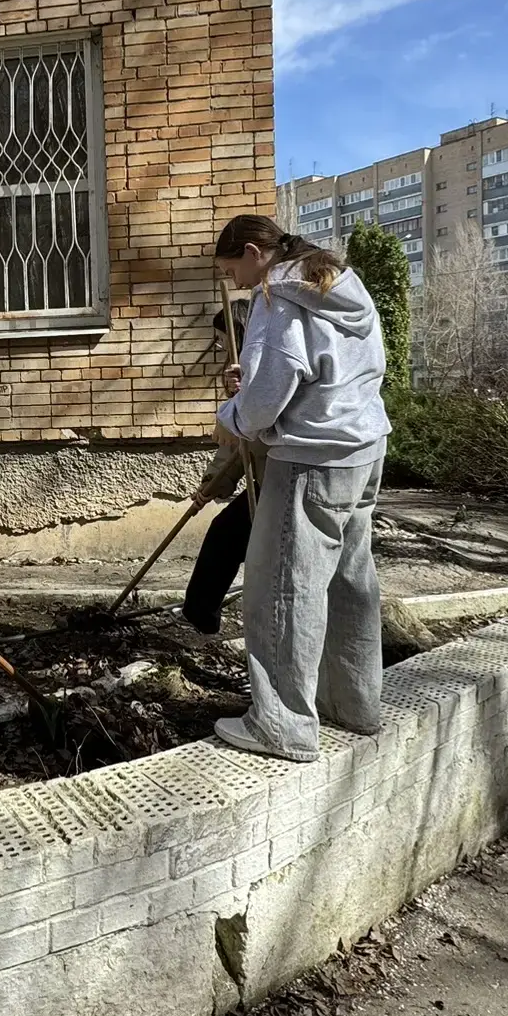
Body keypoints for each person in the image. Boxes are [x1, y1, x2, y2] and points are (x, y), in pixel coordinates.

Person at [210, 216, 389, 762]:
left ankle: (282, 725)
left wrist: (233, 414)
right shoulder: (339, 286)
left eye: (232, 269)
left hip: (310, 460)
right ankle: (353, 704)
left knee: (284, 589)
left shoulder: (277, 299)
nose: (236, 282)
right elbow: (326, 369)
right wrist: (255, 384)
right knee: (348, 582)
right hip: (363, 449)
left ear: (253, 252)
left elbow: (266, 401)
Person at [181, 303, 265, 635]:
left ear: (239, 334)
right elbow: (234, 447)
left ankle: (202, 614)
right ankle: (200, 614)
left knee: (229, 537)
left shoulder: (265, 369)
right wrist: (212, 485)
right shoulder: (240, 377)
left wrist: (244, 397)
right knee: (225, 534)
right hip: (265, 479)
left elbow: (250, 435)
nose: (219, 346)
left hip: (282, 480)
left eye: (222, 339)